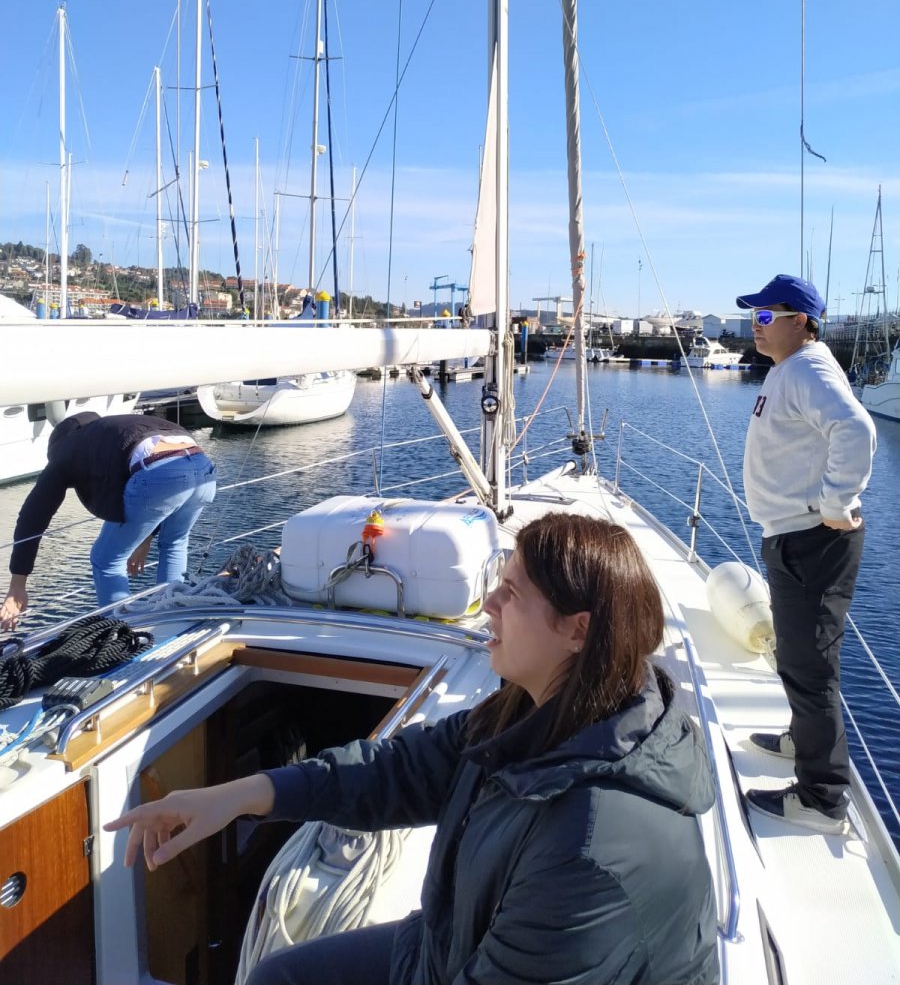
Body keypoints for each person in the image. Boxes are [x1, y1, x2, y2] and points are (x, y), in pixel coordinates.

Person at [105, 513, 719, 985]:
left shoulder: (595, 845)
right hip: (449, 946)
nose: (489, 606)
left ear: (578, 631)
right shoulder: (529, 714)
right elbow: (397, 771)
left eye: (511, 593)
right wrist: (241, 795)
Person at [736, 274, 876, 835]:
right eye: (753, 317)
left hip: (811, 540)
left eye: (765, 317)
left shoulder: (807, 369)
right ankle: (803, 739)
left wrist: (836, 503)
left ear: (801, 322)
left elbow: (856, 429)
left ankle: (822, 799)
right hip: (796, 537)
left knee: (810, 668)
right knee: (798, 659)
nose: (755, 326)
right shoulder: (790, 368)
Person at [1, 412, 216, 630]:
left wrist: (17, 585)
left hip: (161, 471)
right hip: (203, 467)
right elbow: (149, 478)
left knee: (106, 559)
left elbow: (33, 516)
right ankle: (173, 617)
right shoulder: (112, 430)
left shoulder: (66, 450)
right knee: (174, 543)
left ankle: (122, 632)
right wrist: (146, 536)